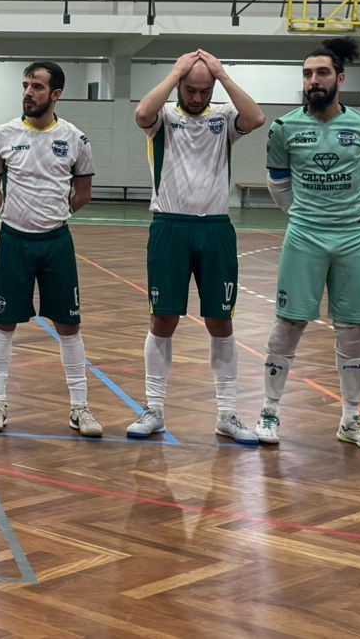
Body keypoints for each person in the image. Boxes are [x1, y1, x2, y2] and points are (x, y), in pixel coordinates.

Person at [258, 37, 360, 450]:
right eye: (307, 74)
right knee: (288, 324)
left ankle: (351, 419)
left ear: (340, 79)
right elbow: (278, 185)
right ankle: (269, 412)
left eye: (322, 73)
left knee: (354, 329)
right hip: (304, 237)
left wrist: (347, 216)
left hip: (354, 238)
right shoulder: (284, 128)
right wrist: (307, 216)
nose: (313, 80)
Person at [128, 50, 266, 442]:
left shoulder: (224, 118)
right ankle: (154, 409)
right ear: (180, 86)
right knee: (163, 319)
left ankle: (227, 413)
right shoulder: (164, 118)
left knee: (220, 321)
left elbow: (256, 118)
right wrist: (175, 73)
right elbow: (141, 114)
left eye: (205, 91)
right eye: (191, 89)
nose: (197, 97)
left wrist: (223, 75)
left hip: (216, 229)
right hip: (169, 227)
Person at [0, 62, 99, 436]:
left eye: (37, 87)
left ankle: (80, 408)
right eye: (25, 85)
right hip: (13, 241)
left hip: (56, 242)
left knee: (69, 324)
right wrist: (9, 212)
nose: (28, 93)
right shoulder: (2, 134)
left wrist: (56, 214)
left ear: (56, 94)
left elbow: (83, 193)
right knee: (4, 321)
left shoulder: (76, 139)